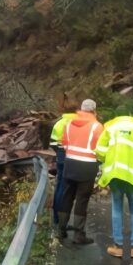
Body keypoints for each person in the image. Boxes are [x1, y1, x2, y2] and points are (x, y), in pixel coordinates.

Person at [95, 115, 133, 259]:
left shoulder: (110, 128)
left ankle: (117, 246)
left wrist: (108, 160)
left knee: (117, 208)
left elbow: (99, 151)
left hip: (115, 176)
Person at [57, 99, 102, 244]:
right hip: (87, 167)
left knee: (67, 196)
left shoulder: (69, 124)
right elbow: (101, 150)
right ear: (94, 111)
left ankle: (61, 230)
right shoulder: (97, 126)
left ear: (81, 110)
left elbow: (64, 144)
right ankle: (78, 235)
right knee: (82, 200)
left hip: (70, 165)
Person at [50, 111, 77, 228]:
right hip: (72, 159)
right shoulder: (77, 124)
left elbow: (52, 143)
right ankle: (63, 223)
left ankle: (56, 218)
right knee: (68, 191)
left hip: (61, 158)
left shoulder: (59, 124)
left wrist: (60, 154)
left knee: (59, 187)